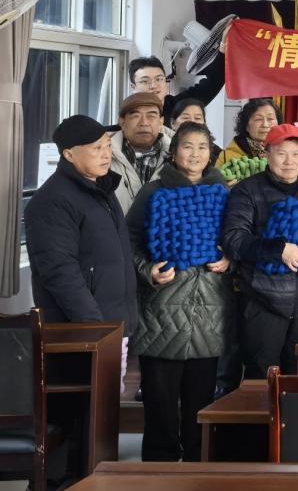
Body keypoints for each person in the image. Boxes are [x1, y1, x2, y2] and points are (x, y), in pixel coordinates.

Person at [125, 122, 231, 463]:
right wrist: (148, 271)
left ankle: (198, 470)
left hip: (210, 311)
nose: (195, 154)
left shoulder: (225, 192)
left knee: (202, 401)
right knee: (160, 401)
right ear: (173, 152)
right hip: (162, 310)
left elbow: (239, 238)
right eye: (188, 146)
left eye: (202, 147)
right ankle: (159, 470)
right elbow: (129, 241)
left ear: (211, 153)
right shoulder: (153, 192)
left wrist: (230, 259)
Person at [219, 124, 298, 378]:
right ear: (267, 154)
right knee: (261, 376)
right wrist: (278, 249)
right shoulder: (248, 190)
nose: (290, 161)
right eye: (281, 153)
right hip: (264, 301)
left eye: (296, 154)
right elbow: (234, 239)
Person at [25, 115, 137, 359]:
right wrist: (95, 329)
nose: (106, 155)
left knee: (112, 385)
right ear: (69, 154)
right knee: (85, 386)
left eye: (108, 146)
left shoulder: (102, 189)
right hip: (83, 334)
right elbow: (60, 272)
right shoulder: (53, 200)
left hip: (113, 326)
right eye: (96, 148)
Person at [110, 92, 173, 214]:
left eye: (151, 116)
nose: (144, 122)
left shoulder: (178, 156)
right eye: (135, 116)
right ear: (122, 122)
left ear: (161, 122)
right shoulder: (102, 155)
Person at [129, 52, 225, 123]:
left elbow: (214, 82)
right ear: (133, 87)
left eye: (159, 79)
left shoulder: (179, 107)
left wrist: (223, 49)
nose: (153, 86)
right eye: (145, 81)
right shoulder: (128, 118)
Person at [216, 98, 281, 170]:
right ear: (246, 126)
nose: (265, 125)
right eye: (258, 119)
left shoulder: (288, 152)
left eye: (270, 118)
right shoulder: (227, 157)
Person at [167, 97, 221, 164]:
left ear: (204, 123)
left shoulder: (217, 154)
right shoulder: (162, 148)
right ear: (173, 123)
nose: (192, 122)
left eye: (197, 118)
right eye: (186, 118)